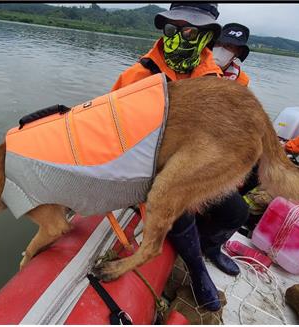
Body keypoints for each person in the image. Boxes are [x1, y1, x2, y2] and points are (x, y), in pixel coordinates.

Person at [111, 3, 247, 312]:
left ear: (207, 35)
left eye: (190, 30)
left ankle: (208, 245)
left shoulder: (216, 80)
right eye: (171, 28)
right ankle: (197, 268)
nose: (178, 37)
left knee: (236, 212)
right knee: (178, 204)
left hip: (194, 162)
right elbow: (114, 135)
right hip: (150, 166)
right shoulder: (137, 76)